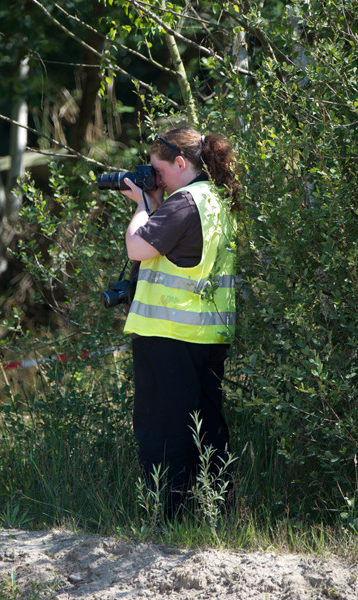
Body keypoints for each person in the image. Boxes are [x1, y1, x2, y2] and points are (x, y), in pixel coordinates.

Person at [121, 126, 239, 520]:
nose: (157, 179)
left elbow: (138, 246)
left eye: (159, 170)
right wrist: (156, 199)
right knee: (207, 427)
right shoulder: (215, 200)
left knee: (161, 430)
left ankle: (164, 517)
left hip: (167, 334)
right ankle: (217, 512)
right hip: (207, 333)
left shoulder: (184, 202)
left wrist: (142, 204)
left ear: (181, 163)